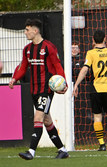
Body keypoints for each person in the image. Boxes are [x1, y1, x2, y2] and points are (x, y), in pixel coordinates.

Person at [8, 19, 69, 160]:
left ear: (35, 31)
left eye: (27, 30)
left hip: (46, 90)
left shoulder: (49, 47)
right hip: (34, 90)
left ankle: (31, 152)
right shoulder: (27, 49)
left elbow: (57, 65)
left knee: (38, 117)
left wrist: (63, 82)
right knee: (47, 120)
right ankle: (62, 150)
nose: (25, 33)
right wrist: (14, 78)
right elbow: (23, 66)